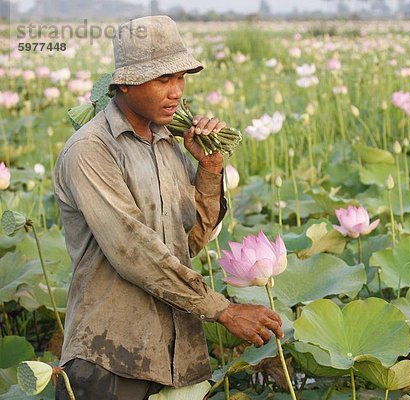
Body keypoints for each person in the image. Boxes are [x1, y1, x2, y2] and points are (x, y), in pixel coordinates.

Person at [53, 15, 283, 400]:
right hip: (110, 357)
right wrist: (223, 310)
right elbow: (135, 252)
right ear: (124, 82)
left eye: (181, 78)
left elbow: (186, 242)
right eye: (163, 79)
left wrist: (209, 169)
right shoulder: (90, 150)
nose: (176, 92)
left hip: (174, 353)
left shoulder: (165, 143)